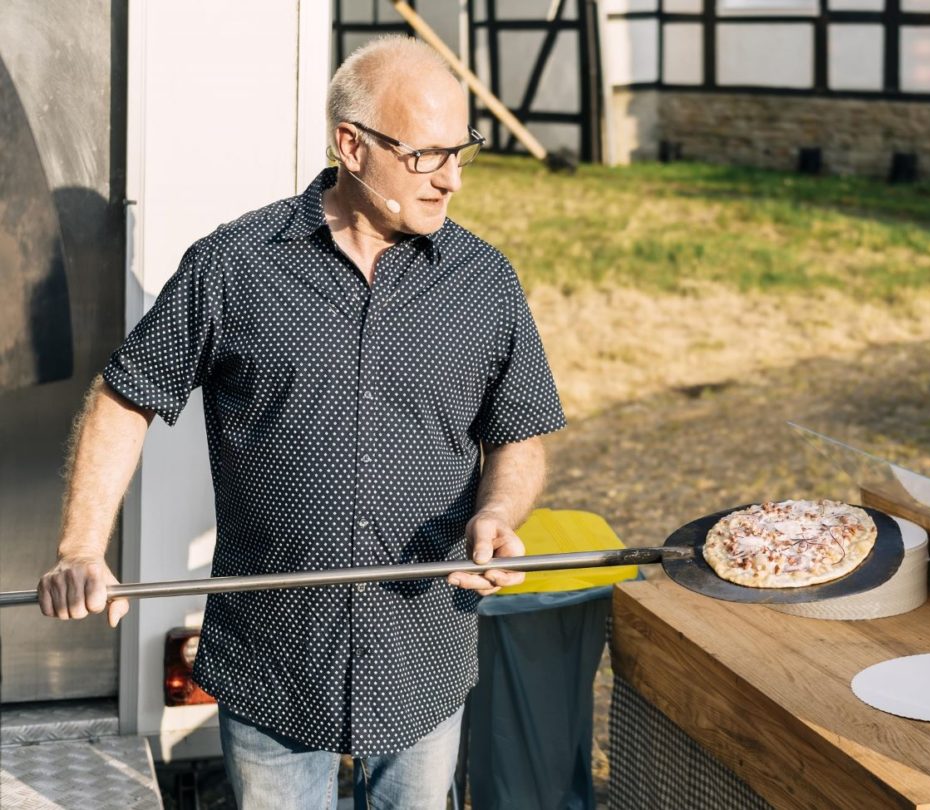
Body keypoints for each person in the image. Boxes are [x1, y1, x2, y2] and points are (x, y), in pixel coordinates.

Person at [36, 36, 565, 807]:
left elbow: (519, 432)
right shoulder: (234, 265)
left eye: (463, 152)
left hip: (423, 651)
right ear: (351, 144)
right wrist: (82, 544)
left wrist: (497, 510)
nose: (451, 179)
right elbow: (127, 397)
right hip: (273, 657)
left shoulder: (483, 280)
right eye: (426, 155)